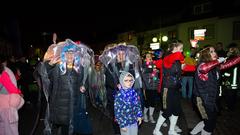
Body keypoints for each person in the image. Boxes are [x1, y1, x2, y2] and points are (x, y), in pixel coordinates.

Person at [37, 39, 93, 135]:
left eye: (72, 53)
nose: (70, 55)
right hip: (61, 107)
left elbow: (84, 83)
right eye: (67, 53)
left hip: (74, 106)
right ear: (64, 54)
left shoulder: (79, 69)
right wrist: (49, 64)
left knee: (74, 129)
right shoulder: (58, 68)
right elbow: (43, 73)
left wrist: (83, 87)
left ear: (76, 55)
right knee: (66, 129)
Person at [190, 45, 240, 135]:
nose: (214, 53)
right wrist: (218, 61)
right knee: (210, 124)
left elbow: (229, 63)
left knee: (209, 121)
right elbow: (203, 69)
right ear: (206, 54)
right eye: (211, 52)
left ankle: (192, 133)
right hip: (202, 100)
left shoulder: (215, 66)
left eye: (214, 51)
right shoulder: (202, 65)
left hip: (211, 99)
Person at [153, 40, 184, 135]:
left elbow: (187, 67)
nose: (182, 51)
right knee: (167, 111)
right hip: (167, 88)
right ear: (174, 48)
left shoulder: (177, 60)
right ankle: (156, 130)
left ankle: (171, 130)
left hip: (176, 88)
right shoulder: (167, 58)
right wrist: (181, 58)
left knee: (177, 110)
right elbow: (178, 56)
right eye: (181, 48)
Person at [0, 55, 24, 135]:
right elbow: (12, 88)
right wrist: (19, 94)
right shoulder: (4, 72)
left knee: (2, 128)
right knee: (11, 129)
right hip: (7, 106)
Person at [142, 52, 159, 123]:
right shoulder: (144, 65)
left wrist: (156, 73)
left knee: (153, 102)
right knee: (147, 102)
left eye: (150, 56)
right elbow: (144, 74)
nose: (150, 57)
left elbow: (155, 76)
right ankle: (145, 114)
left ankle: (151, 115)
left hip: (154, 87)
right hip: (147, 87)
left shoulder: (154, 65)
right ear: (145, 59)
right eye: (148, 56)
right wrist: (152, 72)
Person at [223, 43, 240, 111]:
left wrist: (224, 76)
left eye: (229, 49)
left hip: (231, 80)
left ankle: (230, 107)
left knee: (230, 95)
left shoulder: (233, 58)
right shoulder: (235, 57)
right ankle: (231, 106)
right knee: (232, 94)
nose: (228, 51)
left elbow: (228, 69)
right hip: (233, 80)